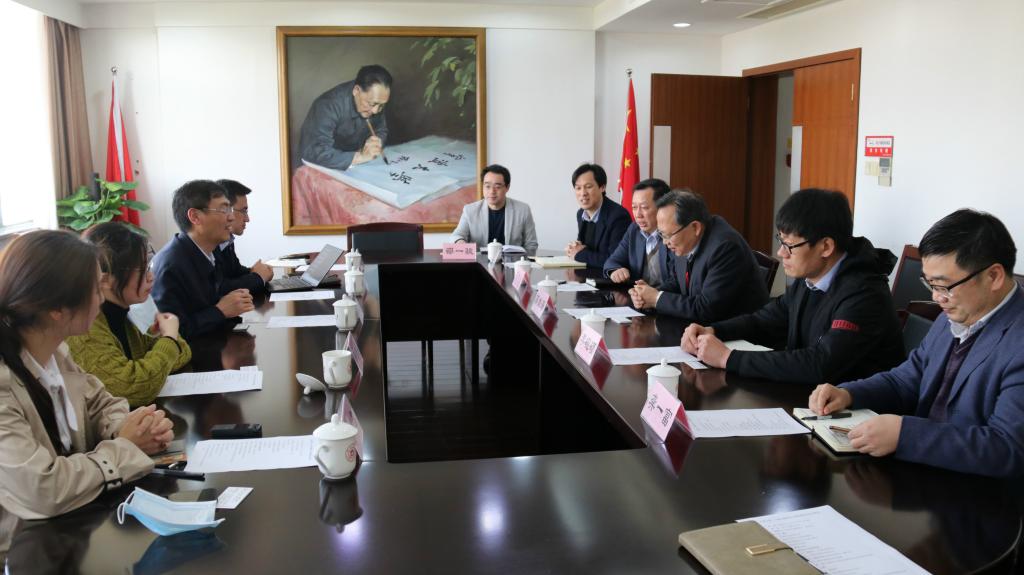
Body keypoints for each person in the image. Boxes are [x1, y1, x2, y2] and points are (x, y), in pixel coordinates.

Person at [808, 209, 1024, 478]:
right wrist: (849, 394)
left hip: (980, 493)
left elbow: (1007, 448)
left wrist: (905, 435)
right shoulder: (957, 312)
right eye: (930, 284)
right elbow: (907, 379)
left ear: (994, 276)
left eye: (944, 286)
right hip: (925, 473)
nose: (936, 297)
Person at [0, 230, 173, 559]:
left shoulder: (54, 352)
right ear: (57, 309)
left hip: (67, 533)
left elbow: (103, 403)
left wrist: (134, 427)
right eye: (94, 289)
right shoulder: (4, 383)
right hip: (21, 553)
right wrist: (126, 447)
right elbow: (43, 489)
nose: (101, 299)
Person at [682, 188, 904, 384]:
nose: (781, 253)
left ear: (826, 247)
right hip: (809, 397)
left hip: (859, 410)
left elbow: (820, 364)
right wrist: (713, 330)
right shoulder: (808, 278)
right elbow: (764, 322)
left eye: (789, 245)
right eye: (781, 241)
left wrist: (727, 358)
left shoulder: (864, 293)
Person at [67, 222, 192, 407]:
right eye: (142, 270)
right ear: (105, 279)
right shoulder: (85, 329)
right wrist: (169, 339)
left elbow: (182, 352)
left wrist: (166, 344)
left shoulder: (125, 311)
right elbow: (132, 388)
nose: (151, 277)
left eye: (149, 266)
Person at [630, 189, 768, 323]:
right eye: (661, 234)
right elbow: (678, 282)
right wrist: (648, 295)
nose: (665, 242)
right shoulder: (684, 239)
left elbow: (706, 309)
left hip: (737, 332)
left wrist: (656, 299)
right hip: (699, 328)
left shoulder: (725, 248)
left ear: (695, 227)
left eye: (668, 235)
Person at [151, 180, 254, 339]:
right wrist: (221, 311)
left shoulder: (207, 253)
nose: (231, 217)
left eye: (230, 209)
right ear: (195, 217)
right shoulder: (171, 266)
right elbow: (173, 333)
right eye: (224, 209)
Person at [298, 64, 392, 171]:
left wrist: (376, 142)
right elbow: (314, 151)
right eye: (371, 104)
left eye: (381, 105)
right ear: (356, 91)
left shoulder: (376, 101)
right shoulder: (328, 104)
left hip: (358, 167)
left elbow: (381, 130)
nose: (375, 111)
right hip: (327, 168)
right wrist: (360, 157)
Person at [450, 164, 539, 255]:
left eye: (497, 187)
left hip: (512, 262)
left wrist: (521, 261)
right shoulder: (470, 210)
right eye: (487, 186)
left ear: (507, 187)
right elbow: (457, 235)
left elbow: (531, 244)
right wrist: (460, 242)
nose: (492, 191)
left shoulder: (523, 210)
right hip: (479, 262)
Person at [603, 179, 672, 287]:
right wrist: (616, 270)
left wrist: (653, 294)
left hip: (663, 296)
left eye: (644, 207)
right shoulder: (634, 230)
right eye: (634, 207)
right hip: (637, 295)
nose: (638, 214)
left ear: (662, 207)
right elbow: (612, 261)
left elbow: (677, 281)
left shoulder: (674, 234)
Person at [566, 163, 630, 268]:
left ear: (602, 187)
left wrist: (579, 254)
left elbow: (615, 260)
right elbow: (584, 248)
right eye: (578, 188)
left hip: (608, 277)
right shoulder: (581, 214)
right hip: (587, 274)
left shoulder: (618, 216)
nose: (583, 193)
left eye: (588, 187)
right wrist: (574, 248)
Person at [215, 179, 273, 295]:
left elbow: (235, 272)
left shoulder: (227, 240)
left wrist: (254, 271)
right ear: (226, 210)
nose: (247, 219)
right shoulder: (208, 243)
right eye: (243, 211)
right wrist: (258, 277)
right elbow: (220, 289)